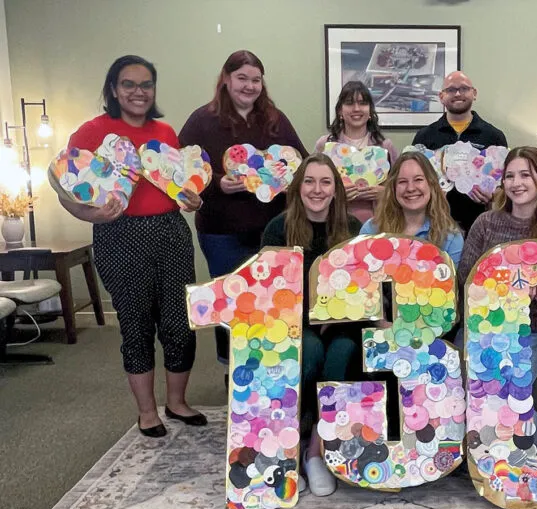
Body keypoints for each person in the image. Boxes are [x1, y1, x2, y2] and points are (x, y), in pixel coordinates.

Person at [60, 55, 205, 437]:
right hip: (120, 235)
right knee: (136, 324)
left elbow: (178, 186)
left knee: (180, 323)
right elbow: (66, 189)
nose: (138, 92)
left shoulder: (166, 132)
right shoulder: (92, 133)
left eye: (146, 84)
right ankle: (147, 412)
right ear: (113, 88)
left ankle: (177, 402)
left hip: (171, 233)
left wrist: (192, 200)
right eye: (129, 84)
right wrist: (91, 215)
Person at [178, 50, 308, 368]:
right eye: (242, 78)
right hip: (222, 232)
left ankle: (270, 369)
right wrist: (217, 184)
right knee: (230, 301)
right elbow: (181, 168)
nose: (249, 86)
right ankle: (232, 370)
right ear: (226, 78)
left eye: (256, 80)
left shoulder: (275, 120)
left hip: (272, 230)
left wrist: (288, 180)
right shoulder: (202, 121)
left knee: (271, 301)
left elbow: (302, 162)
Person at [457, 147, 537, 448]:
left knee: (503, 392)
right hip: (484, 327)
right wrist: (500, 288)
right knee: (466, 387)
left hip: (535, 329)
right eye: (510, 176)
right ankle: (531, 431)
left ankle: (535, 433)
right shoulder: (486, 223)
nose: (516, 183)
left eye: (525, 175)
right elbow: (466, 278)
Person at [261, 152, 362, 496]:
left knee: (342, 354)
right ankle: (291, 446)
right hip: (292, 323)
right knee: (310, 352)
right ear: (298, 187)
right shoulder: (278, 228)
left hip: (344, 323)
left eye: (325, 182)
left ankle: (315, 451)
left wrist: (337, 315)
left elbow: (364, 287)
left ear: (336, 190)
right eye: (309, 181)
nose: (317, 189)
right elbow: (269, 290)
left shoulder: (353, 228)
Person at [412, 71, 508, 234]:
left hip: (480, 226)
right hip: (433, 226)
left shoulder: (494, 136)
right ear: (441, 96)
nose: (457, 94)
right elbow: (413, 179)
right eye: (451, 90)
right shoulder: (424, 137)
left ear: (474, 93)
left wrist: (493, 196)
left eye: (464, 88)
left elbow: (505, 183)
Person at [315, 80, 399, 223]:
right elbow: (312, 186)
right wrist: (335, 193)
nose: (356, 108)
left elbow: (401, 186)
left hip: (377, 223)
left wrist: (386, 192)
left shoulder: (385, 146)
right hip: (334, 222)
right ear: (340, 110)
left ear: (370, 110)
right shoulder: (325, 145)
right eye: (349, 103)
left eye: (362, 103)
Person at [360, 150, 463, 266]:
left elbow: (452, 278)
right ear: (393, 188)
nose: (410, 188)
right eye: (402, 182)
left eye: (418, 180)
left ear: (432, 185)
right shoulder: (371, 229)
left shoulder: (451, 237)